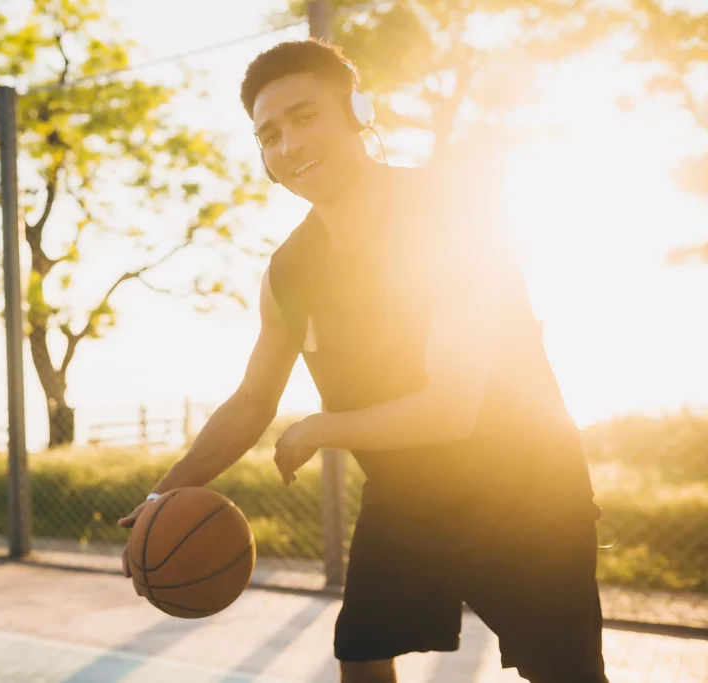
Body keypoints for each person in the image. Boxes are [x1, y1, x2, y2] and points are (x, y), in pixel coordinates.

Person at [118, 39, 610, 683]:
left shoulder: (451, 214)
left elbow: (451, 408)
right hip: (408, 496)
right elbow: (251, 403)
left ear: (357, 111)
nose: (289, 144)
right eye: (268, 134)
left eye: (305, 116)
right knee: (362, 655)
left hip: (525, 491)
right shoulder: (290, 271)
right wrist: (165, 493)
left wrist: (322, 426)